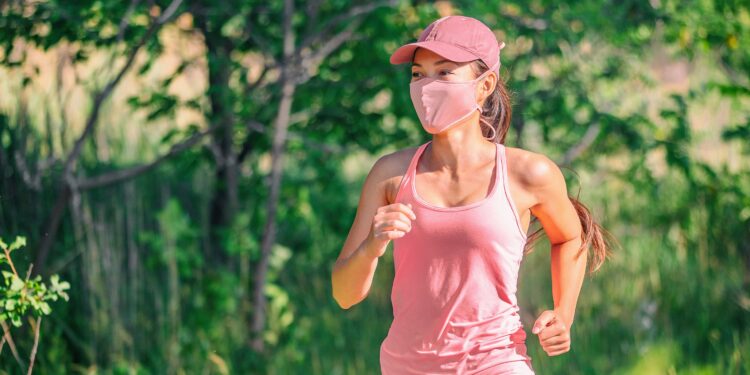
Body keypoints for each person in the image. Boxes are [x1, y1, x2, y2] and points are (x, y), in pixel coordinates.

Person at [331, 15, 612, 374]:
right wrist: (372, 245)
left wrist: (564, 312)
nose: (426, 86)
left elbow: (571, 237)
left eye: (444, 72)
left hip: (496, 361)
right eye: (418, 74)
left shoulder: (528, 173)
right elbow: (343, 294)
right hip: (406, 366)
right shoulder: (391, 175)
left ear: (485, 85)